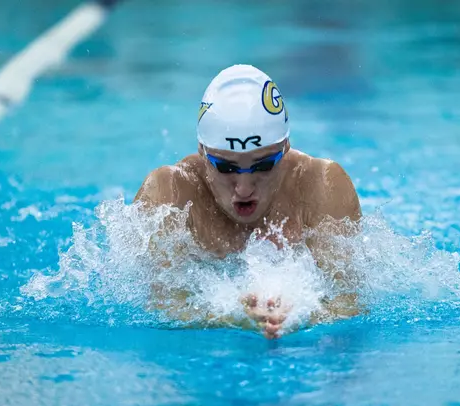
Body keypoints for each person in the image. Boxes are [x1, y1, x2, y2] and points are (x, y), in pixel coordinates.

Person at [135, 64, 362, 339]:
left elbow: (349, 305)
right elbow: (162, 307)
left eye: (264, 165)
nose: (243, 189)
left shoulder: (320, 186)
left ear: (285, 147)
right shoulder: (170, 193)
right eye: (226, 167)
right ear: (202, 151)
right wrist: (232, 317)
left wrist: (298, 315)